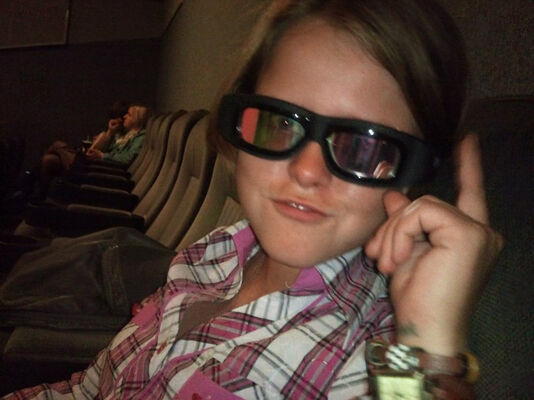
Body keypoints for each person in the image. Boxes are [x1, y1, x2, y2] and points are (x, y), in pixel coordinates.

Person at [3, 0, 503, 398]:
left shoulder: (368, 358)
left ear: (416, 175)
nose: (306, 171)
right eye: (280, 122)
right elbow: (90, 387)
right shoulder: (215, 253)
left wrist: (427, 345)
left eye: (364, 146)